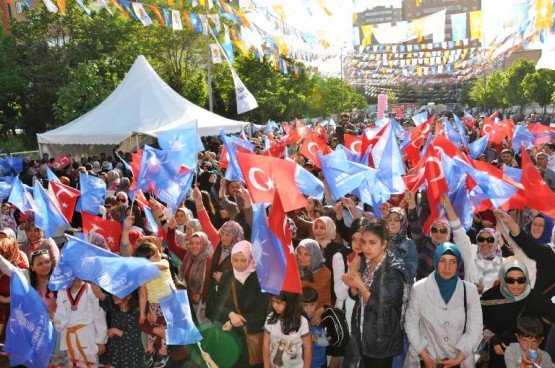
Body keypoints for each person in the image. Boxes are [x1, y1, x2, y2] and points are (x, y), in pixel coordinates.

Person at [404, 243, 483, 368]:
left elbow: (475, 328)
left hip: (459, 359)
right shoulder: (419, 288)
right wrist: (425, 356)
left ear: (458, 264)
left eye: (452, 262)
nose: (447, 267)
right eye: (442, 261)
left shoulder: (470, 290)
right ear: (435, 261)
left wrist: (458, 359)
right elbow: (411, 324)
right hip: (426, 358)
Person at [342, 220, 408, 368]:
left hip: (381, 341)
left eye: (372, 243)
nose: (366, 247)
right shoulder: (366, 263)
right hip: (363, 334)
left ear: (384, 244)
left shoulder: (393, 271)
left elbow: (381, 309)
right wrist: (352, 278)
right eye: (363, 242)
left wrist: (360, 284)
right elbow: (356, 296)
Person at [480, 257, 555, 368]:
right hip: (500, 355)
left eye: (521, 280)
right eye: (510, 280)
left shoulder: (535, 297)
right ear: (503, 278)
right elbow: (476, 323)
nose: (516, 285)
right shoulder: (489, 297)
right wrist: (492, 338)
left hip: (530, 357)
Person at [213, 241, 270, 367]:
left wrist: (234, 322)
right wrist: (230, 314)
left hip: (251, 336)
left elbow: (261, 311)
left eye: (243, 260)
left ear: (250, 259)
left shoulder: (259, 279)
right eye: (235, 260)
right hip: (230, 337)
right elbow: (218, 304)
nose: (239, 265)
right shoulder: (227, 276)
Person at [442, 195, 503, 293]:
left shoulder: (503, 263)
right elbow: (458, 231)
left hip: (493, 307)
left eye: (490, 239)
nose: (485, 242)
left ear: (496, 242)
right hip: (469, 305)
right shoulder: (471, 252)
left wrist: (484, 290)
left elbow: (509, 290)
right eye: (481, 239)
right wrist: (448, 206)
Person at [136, 242, 176, 368]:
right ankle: (149, 348)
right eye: (154, 256)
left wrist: (145, 265)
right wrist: (142, 313)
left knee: (165, 328)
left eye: (158, 253)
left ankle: (163, 352)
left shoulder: (164, 262)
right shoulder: (142, 276)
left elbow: (162, 265)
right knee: (152, 326)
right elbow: (143, 296)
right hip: (154, 304)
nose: (159, 256)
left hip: (169, 303)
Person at [166, 217, 212, 327]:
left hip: (206, 304)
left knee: (207, 334)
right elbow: (172, 246)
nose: (195, 246)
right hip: (189, 302)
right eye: (192, 243)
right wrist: (171, 229)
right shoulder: (187, 256)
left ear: (204, 244)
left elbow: (213, 284)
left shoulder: (210, 261)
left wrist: (202, 296)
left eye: (198, 243)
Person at [54, 279, 108, 367]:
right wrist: (53, 316)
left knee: (90, 364)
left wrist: (101, 341)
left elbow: (99, 316)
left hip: (88, 337)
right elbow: (61, 318)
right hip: (70, 338)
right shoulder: (62, 291)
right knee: (73, 364)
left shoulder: (89, 288)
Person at [404, 190, 452, 280]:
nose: (438, 233)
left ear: (448, 234)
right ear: (430, 232)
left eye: (443, 230)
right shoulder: (424, 242)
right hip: (422, 289)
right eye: (434, 230)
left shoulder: (453, 250)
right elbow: (415, 226)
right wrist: (411, 205)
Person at [263, 292, 312, 368]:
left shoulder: (302, 322)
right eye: (273, 301)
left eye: (278, 302)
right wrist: (266, 366)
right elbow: (265, 345)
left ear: (290, 302)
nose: (274, 305)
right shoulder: (270, 317)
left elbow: (307, 348)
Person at [296, 239, 332, 310]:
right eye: (299, 253)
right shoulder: (292, 267)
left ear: (315, 254)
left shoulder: (324, 273)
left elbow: (323, 300)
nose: (302, 257)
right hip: (294, 308)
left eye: (306, 254)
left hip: (316, 310)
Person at [386, 207, 418, 286]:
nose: (392, 223)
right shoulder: (381, 242)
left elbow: (410, 274)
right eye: (389, 220)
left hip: (400, 291)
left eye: (397, 220)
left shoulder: (409, 244)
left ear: (403, 222)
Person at [301, 286, 328, 368]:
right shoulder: (298, 320)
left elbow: (327, 342)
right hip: (303, 363)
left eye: (312, 304)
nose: (309, 309)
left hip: (319, 362)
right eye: (305, 305)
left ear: (317, 302)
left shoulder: (320, 319)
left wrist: (315, 339)